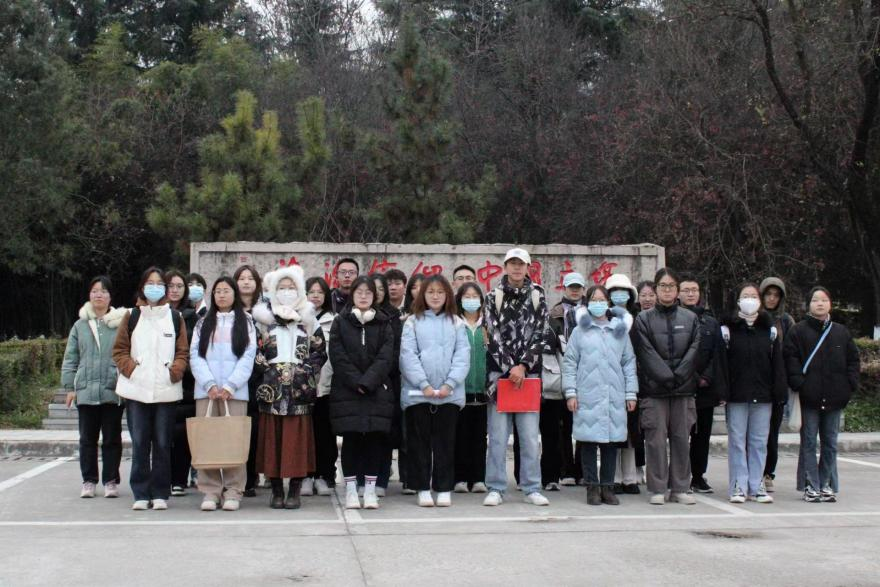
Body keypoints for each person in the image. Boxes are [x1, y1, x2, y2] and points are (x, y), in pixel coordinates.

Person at [112, 267, 189, 511]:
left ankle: (160, 492)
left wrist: (174, 371)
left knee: (163, 444)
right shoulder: (132, 316)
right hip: (137, 390)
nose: (154, 287)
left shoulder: (175, 317)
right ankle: (141, 492)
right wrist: (132, 370)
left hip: (166, 390)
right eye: (150, 283)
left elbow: (183, 351)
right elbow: (119, 350)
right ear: (142, 287)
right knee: (140, 443)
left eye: (159, 283)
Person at [252, 267, 327, 509]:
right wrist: (268, 370)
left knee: (297, 441)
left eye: (292, 287)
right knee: (272, 441)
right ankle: (276, 490)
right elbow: (254, 351)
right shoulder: (263, 321)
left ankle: (294, 489)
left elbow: (319, 351)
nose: (287, 292)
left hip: (299, 390)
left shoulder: (308, 319)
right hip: (271, 391)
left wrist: (304, 371)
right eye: (282, 288)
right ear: (273, 291)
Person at [483, 248, 550, 507]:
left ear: (528, 267)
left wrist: (522, 366)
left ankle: (531, 487)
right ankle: (496, 487)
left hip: (528, 376)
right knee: (498, 438)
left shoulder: (538, 295)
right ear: (505, 266)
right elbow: (491, 336)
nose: (516, 268)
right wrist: (510, 367)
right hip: (499, 378)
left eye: (521, 263)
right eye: (512, 263)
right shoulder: (493, 296)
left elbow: (541, 334)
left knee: (530, 438)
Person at [563, 286, 638, 506]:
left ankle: (607, 487)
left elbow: (628, 363)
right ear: (588, 304)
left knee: (610, 444)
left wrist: (630, 393)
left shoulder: (619, 330)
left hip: (614, 395)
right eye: (594, 300)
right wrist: (571, 392)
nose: (598, 303)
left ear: (608, 303)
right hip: (587, 395)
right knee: (588, 442)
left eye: (602, 299)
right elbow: (569, 363)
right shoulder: (579, 331)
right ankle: (592, 487)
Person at [399, 275, 470, 507]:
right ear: (423, 295)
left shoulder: (457, 323)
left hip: (449, 394)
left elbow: (462, 356)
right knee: (419, 444)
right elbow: (407, 356)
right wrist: (424, 385)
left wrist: (450, 384)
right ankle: (421, 487)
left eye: (440, 292)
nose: (436, 296)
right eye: (430, 292)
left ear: (448, 295)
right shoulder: (412, 322)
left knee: (445, 444)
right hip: (418, 394)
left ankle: (443, 487)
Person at [784, 286, 860, 503]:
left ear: (830, 304)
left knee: (830, 443)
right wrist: (800, 384)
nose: (820, 303)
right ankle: (811, 485)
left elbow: (853, 361)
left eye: (824, 300)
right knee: (809, 442)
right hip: (809, 398)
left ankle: (825, 483)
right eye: (815, 300)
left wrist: (849, 386)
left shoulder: (841, 332)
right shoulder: (798, 331)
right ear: (808, 304)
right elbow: (790, 359)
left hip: (835, 397)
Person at [633, 267, 700, 506]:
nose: (667, 290)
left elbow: (694, 350)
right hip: (654, 390)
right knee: (656, 440)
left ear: (677, 290)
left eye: (672, 286)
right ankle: (657, 488)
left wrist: (679, 375)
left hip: (684, 389)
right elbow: (645, 353)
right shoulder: (643, 319)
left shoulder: (690, 319)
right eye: (663, 286)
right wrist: (666, 377)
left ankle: (680, 487)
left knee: (681, 439)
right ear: (656, 289)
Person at [189, 277, 257, 511]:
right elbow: (195, 355)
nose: (221, 295)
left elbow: (248, 356)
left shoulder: (246, 322)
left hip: (235, 392)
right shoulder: (202, 323)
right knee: (207, 441)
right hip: (206, 392)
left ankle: (233, 491)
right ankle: (210, 490)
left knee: (233, 441)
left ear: (234, 294)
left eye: (226, 290)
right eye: (217, 291)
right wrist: (208, 383)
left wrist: (230, 385)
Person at [329, 276, 395, 510]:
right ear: (352, 295)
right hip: (347, 392)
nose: (364, 296)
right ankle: (350, 490)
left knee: (374, 441)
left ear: (374, 296)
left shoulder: (384, 322)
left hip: (377, 392)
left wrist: (368, 382)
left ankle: (369, 490)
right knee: (351, 441)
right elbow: (337, 355)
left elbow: (386, 357)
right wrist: (356, 382)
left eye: (368, 292)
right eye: (359, 292)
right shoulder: (340, 322)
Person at [718, 282, 787, 504]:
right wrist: (723, 392)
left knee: (759, 441)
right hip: (737, 395)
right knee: (737, 441)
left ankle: (756, 484)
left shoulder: (770, 330)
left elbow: (777, 365)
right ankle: (738, 485)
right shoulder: (727, 330)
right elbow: (722, 365)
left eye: (753, 296)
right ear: (738, 300)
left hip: (763, 395)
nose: (750, 299)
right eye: (745, 295)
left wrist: (779, 392)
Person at [62, 276, 128, 499]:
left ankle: (110, 481)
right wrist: (70, 387)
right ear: (89, 295)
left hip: (112, 390)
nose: (98, 295)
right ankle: (89, 481)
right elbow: (71, 358)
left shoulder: (120, 323)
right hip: (86, 390)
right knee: (87, 439)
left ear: (110, 296)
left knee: (112, 439)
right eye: (94, 291)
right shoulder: (80, 325)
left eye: (103, 291)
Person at [677, 273, 723, 495]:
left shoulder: (710, 322)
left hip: (706, 388)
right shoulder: (673, 319)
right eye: (686, 290)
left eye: (694, 290)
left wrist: (706, 377)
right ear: (678, 293)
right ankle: (680, 475)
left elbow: (717, 354)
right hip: (682, 385)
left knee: (702, 435)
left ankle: (698, 475)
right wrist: (692, 376)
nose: (690, 294)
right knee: (680, 435)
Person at [540, 271, 586, 491]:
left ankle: (582, 471)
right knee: (560, 427)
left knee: (583, 426)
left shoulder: (591, 313)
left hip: (585, 374)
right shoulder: (554, 314)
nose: (574, 291)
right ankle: (564, 471)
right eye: (571, 287)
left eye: (578, 287)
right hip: (559, 373)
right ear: (564, 288)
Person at [366, 273, 405, 497]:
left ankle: (381, 478)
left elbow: (396, 350)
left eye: (382, 289)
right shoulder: (354, 316)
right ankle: (362, 477)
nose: (379, 293)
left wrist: (379, 373)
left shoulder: (393, 316)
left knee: (385, 432)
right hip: (362, 384)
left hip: (388, 382)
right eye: (375, 289)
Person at [605, 273, 643, 494]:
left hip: (632, 381)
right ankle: (614, 477)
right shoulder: (603, 319)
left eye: (623, 291)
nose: (619, 295)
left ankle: (630, 477)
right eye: (615, 291)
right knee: (612, 431)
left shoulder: (638, 319)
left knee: (630, 431)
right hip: (609, 381)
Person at [170, 271, 206, 497]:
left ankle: (179, 479)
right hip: (159, 380)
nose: (174, 290)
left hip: (188, 382)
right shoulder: (151, 314)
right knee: (161, 434)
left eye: (179, 286)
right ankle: (163, 476)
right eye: (170, 286)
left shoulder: (193, 317)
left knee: (182, 433)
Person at [760, 276, 796, 492]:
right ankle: (753, 471)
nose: (772, 299)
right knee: (755, 433)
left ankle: (768, 472)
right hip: (756, 381)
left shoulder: (786, 321)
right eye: (768, 294)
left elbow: (792, 352)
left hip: (777, 383)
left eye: (776, 295)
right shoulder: (754, 317)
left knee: (772, 432)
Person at [454, 282, 489, 494]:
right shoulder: (454, 324)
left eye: (475, 296)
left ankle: (478, 478)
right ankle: (459, 478)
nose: (471, 300)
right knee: (460, 436)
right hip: (460, 390)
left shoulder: (488, 325)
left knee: (480, 438)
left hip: (483, 391)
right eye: (466, 296)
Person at [304, 276, 337, 497]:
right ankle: (306, 475)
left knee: (325, 433)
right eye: (311, 292)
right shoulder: (296, 318)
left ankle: (324, 475)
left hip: (326, 386)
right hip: (301, 388)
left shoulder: (334, 321)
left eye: (320, 292)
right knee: (305, 434)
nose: (315, 296)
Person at [234, 264, 263, 497]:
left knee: (254, 429)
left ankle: (251, 477)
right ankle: (235, 476)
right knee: (236, 429)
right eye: (241, 278)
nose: (246, 282)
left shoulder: (266, 312)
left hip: (259, 378)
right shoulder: (229, 312)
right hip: (234, 377)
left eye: (250, 278)